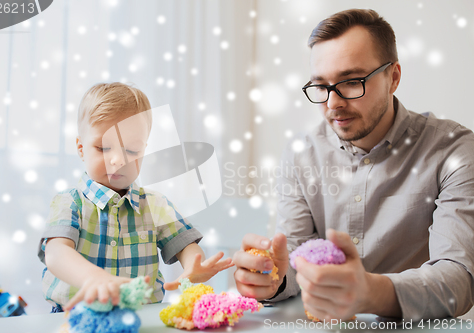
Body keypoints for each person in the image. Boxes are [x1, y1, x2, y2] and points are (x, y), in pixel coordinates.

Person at [233, 9, 474, 321]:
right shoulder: (301, 153)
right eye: (321, 86)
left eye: (351, 81)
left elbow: (459, 279)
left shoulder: (453, 150)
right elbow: (294, 263)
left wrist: (369, 292)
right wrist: (272, 279)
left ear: (394, 77)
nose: (333, 103)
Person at [37, 82, 233, 312]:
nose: (118, 160)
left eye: (131, 151)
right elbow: (56, 253)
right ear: (81, 148)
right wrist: (92, 277)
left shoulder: (155, 205)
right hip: (76, 315)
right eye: (103, 148)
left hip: (143, 316)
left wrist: (193, 265)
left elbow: (185, 245)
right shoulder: (70, 203)